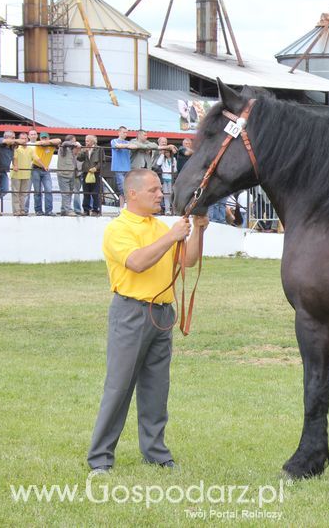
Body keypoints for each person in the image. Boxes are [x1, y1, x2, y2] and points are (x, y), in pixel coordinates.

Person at [88, 168, 209, 473]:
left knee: (157, 387)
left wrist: (199, 230)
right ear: (132, 194)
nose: (160, 194)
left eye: (160, 189)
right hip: (131, 312)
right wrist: (171, 236)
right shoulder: (118, 229)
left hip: (161, 313)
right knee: (119, 386)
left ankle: (156, 452)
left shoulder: (159, 227)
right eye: (153, 190)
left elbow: (188, 260)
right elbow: (138, 263)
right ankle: (100, 458)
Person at [31, 130, 61, 216]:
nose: (44, 140)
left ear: (48, 138)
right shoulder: (37, 144)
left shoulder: (51, 146)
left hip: (45, 170)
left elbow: (59, 140)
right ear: (40, 138)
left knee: (48, 190)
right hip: (36, 168)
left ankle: (48, 211)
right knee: (37, 191)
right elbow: (36, 157)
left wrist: (49, 142)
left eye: (45, 138)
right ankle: (38, 210)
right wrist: (46, 142)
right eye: (42, 138)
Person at [78, 134, 105, 216]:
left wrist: (96, 168)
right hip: (86, 172)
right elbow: (79, 158)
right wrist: (83, 151)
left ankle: (95, 210)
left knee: (95, 192)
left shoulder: (99, 149)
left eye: (88, 140)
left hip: (95, 173)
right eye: (86, 141)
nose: (86, 142)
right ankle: (86, 210)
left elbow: (102, 161)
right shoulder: (85, 149)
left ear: (93, 141)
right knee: (86, 192)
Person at [10, 132, 36, 216]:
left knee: (23, 194)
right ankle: (16, 211)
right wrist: (15, 165)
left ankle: (22, 210)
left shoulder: (30, 149)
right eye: (22, 138)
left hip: (26, 174)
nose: (24, 140)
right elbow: (14, 157)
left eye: (25, 139)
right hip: (16, 174)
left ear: (27, 139)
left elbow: (36, 158)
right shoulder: (16, 147)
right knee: (16, 193)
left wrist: (44, 166)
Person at [57, 135, 82, 216]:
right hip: (63, 174)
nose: (75, 142)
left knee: (70, 192)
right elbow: (65, 143)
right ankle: (68, 210)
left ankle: (64, 209)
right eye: (73, 141)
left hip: (71, 174)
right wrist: (75, 144)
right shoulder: (63, 148)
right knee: (66, 192)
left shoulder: (71, 150)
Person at [0, 131, 18, 215]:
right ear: (7, 137)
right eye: (13, 137)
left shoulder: (11, 148)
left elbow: (13, 157)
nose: (15, 139)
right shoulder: (0, 140)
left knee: (5, 189)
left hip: (4, 171)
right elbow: (4, 141)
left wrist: (15, 165)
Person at [152, 137, 177, 215]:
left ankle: (172, 209)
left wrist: (173, 165)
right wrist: (162, 155)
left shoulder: (173, 159)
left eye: (168, 152)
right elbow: (158, 163)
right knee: (165, 194)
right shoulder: (157, 151)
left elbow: (175, 169)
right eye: (166, 152)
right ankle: (167, 210)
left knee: (171, 194)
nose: (167, 153)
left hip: (170, 178)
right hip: (162, 177)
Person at [110, 126, 132, 208]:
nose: (125, 134)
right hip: (118, 168)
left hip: (127, 168)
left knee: (125, 188)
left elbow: (133, 146)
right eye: (124, 132)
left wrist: (123, 145)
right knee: (122, 187)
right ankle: (125, 206)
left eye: (126, 132)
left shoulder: (127, 142)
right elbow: (117, 146)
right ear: (119, 132)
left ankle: (122, 207)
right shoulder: (114, 141)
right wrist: (126, 146)